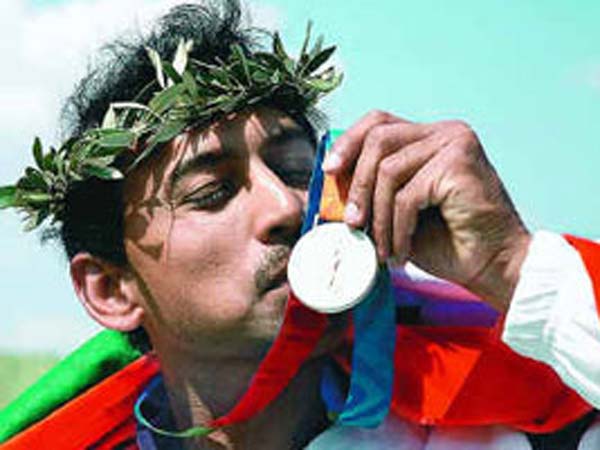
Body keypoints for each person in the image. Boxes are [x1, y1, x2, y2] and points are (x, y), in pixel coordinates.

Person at [2, 1, 599, 448]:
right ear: (111, 289)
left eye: (296, 171)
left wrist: (510, 266)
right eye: (213, 193)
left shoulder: (533, 427)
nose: (286, 208)